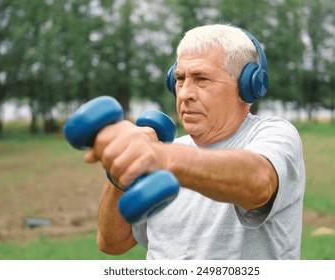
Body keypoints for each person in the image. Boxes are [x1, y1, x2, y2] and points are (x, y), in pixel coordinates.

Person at [84, 24, 306, 259]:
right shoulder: (167, 153)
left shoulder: (275, 135)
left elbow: (259, 183)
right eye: (180, 79)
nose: (184, 93)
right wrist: (119, 170)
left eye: (201, 79)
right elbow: (112, 243)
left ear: (247, 86)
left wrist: (159, 157)